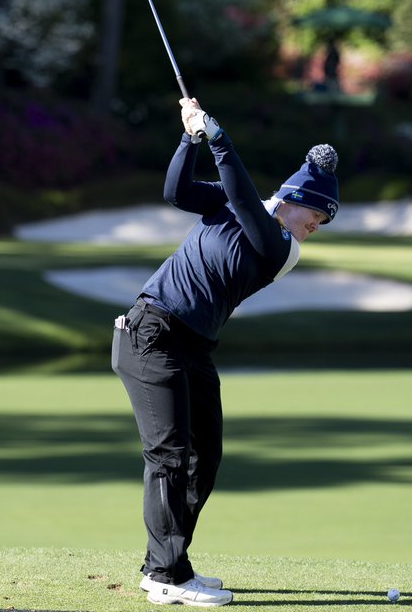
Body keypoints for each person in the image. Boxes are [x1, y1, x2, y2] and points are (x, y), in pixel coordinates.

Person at [111, 97, 340, 607]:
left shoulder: (283, 248)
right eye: (316, 215)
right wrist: (191, 139)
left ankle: (167, 562)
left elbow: (247, 208)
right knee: (169, 456)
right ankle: (166, 577)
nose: (315, 228)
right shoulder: (227, 202)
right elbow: (175, 192)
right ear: (292, 197)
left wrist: (219, 138)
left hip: (192, 346)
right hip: (150, 332)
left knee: (204, 457)